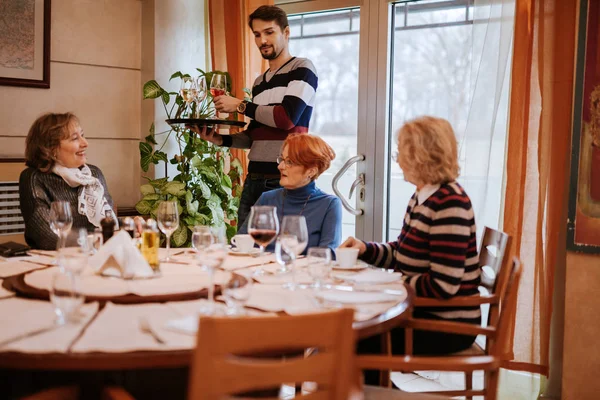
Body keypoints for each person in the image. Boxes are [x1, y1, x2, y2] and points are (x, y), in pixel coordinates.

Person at [339, 116, 481, 384]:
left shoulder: (451, 204)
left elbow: (443, 286)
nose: (397, 159)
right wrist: (364, 249)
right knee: (353, 332)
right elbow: (401, 252)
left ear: (420, 156)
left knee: (355, 338)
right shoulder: (423, 196)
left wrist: (389, 282)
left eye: (401, 152)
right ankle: (383, 392)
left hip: (448, 324)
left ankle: (381, 394)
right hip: (423, 312)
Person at [193, 5, 318, 227]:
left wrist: (241, 105)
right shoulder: (260, 82)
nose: (263, 41)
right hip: (253, 179)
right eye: (257, 35)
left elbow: (285, 118)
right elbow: (254, 136)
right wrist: (220, 140)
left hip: (282, 181)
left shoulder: (302, 69)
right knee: (243, 248)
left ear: (286, 33)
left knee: (273, 253)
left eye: (269, 32)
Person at [19, 112, 117, 250]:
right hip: (54, 262)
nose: (85, 143)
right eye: (75, 138)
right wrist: (98, 240)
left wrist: (130, 226)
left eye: (82, 135)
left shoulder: (93, 175)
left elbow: (109, 224)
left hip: (96, 257)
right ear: (51, 149)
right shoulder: (33, 178)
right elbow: (47, 236)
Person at [238, 134, 342, 255]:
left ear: (311, 171)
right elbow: (241, 242)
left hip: (303, 272)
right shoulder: (267, 198)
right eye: (281, 159)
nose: (280, 166)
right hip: (262, 270)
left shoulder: (329, 204)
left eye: (289, 162)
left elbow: (328, 255)